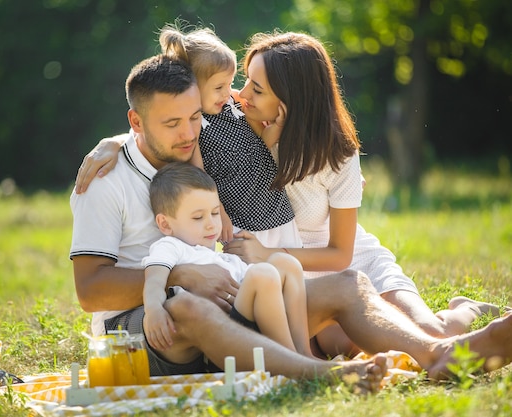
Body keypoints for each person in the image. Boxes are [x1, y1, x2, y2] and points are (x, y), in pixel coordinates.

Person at [69, 52, 512, 390]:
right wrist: (181, 274)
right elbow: (89, 291)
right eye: (172, 124)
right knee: (188, 304)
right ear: (135, 122)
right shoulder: (106, 181)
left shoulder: (204, 145)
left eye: (194, 117)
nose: (188, 133)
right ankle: (320, 374)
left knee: (347, 283)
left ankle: (437, 354)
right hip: (150, 330)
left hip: (231, 303)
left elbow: (225, 90)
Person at [77, 23, 302, 248]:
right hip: (242, 218)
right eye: (219, 87)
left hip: (274, 204)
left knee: (289, 274)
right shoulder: (196, 132)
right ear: (195, 86)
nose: (229, 92)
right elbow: (198, 174)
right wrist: (218, 209)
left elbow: (257, 148)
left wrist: (275, 128)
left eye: (230, 84)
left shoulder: (232, 104)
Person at [143, 162, 311, 356]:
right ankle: (291, 359)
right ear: (165, 224)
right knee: (262, 273)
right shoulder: (170, 247)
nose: (211, 225)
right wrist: (153, 309)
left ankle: (304, 351)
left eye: (215, 213)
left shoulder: (218, 254)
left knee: (285, 262)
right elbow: (154, 280)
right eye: (198, 217)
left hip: (244, 314)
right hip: (222, 328)